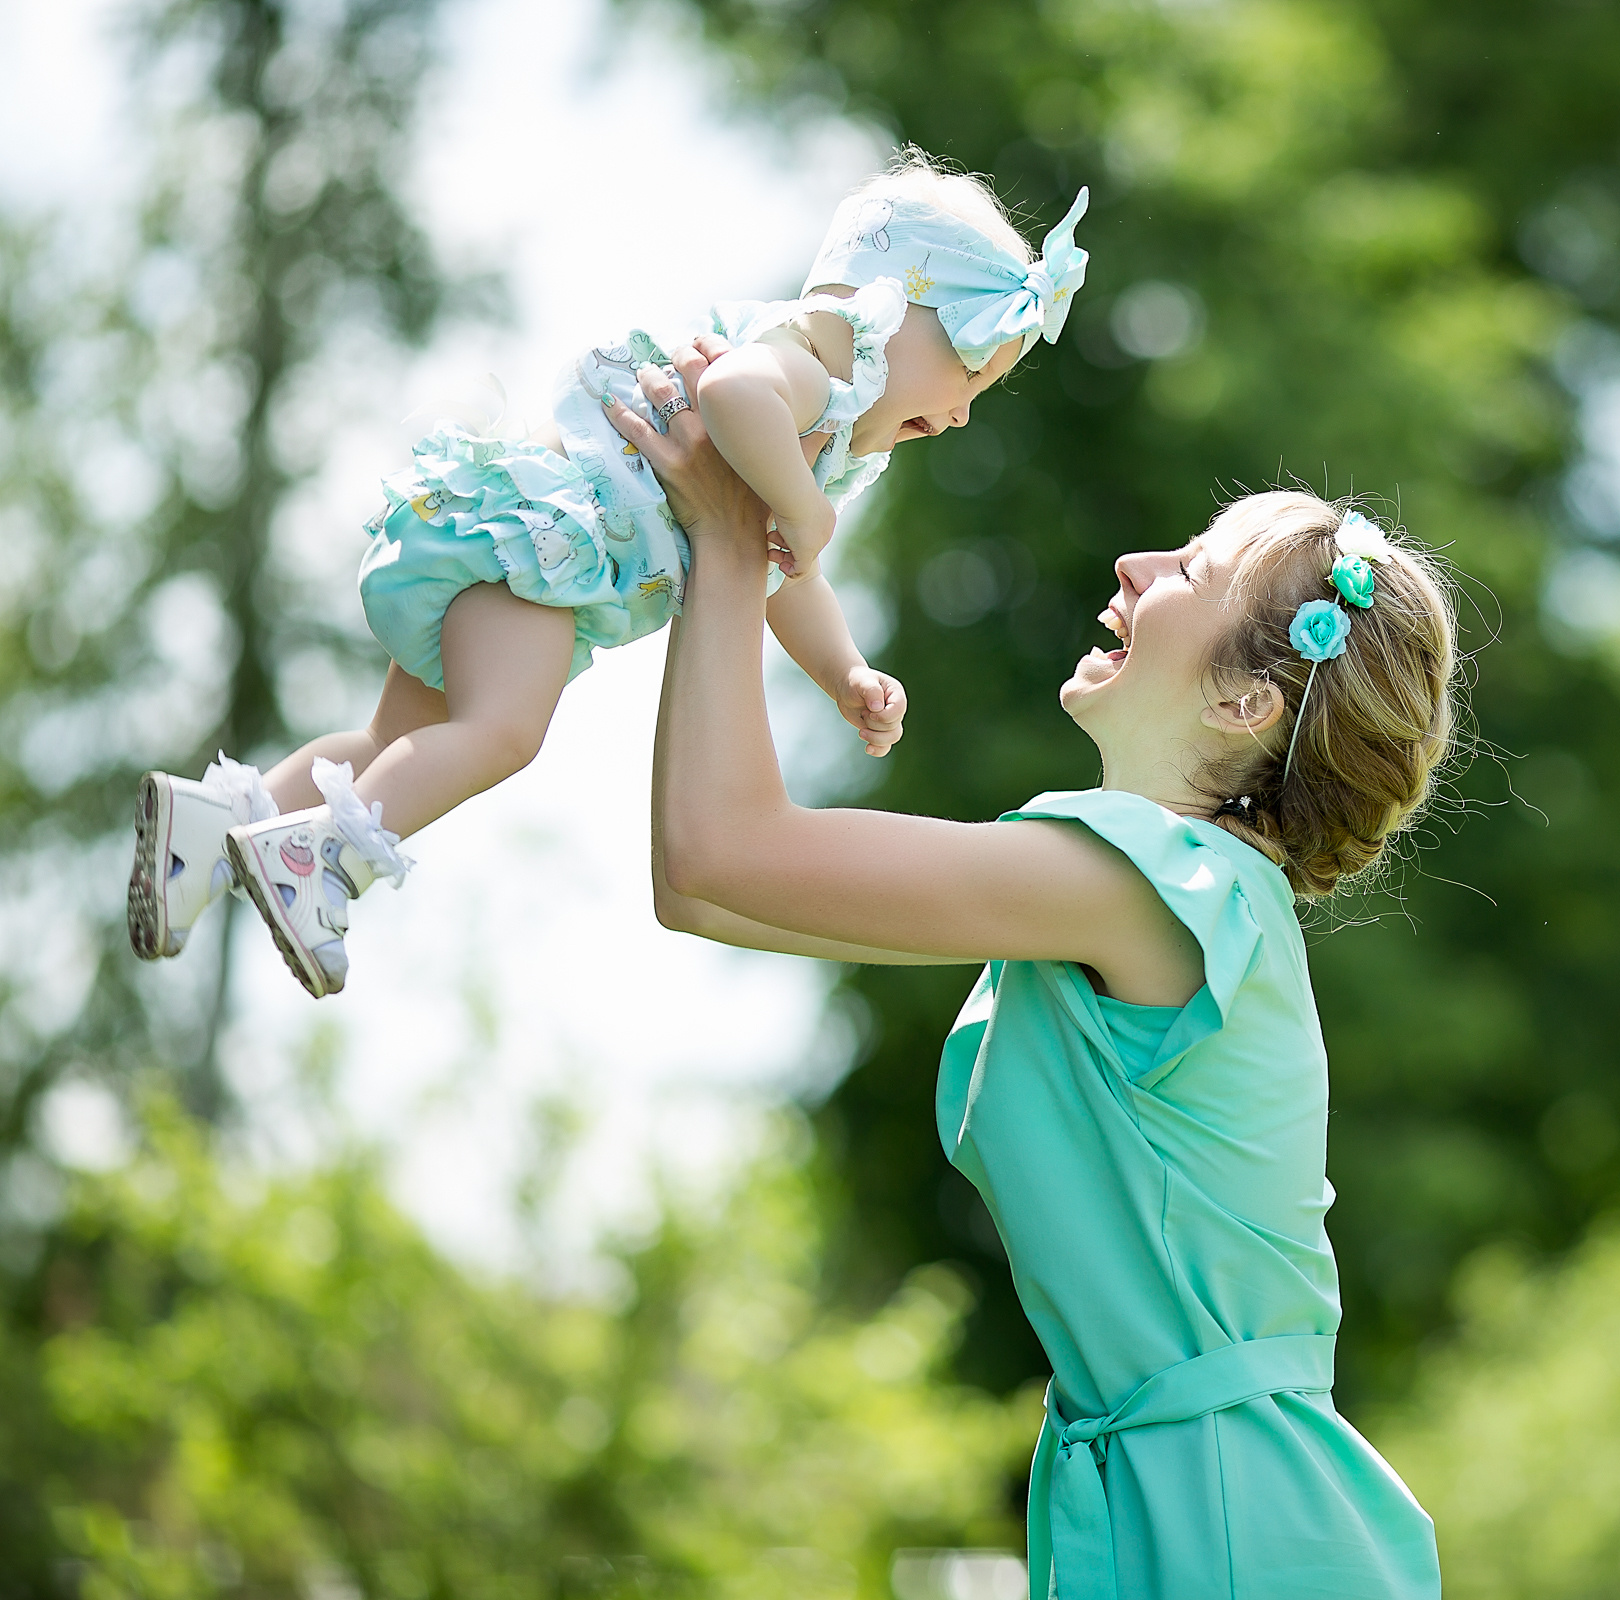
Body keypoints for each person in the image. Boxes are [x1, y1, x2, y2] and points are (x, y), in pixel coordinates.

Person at [613, 344, 1453, 1598]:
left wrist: (736, 538)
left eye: (1193, 570)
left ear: (1245, 703)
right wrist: (724, 544)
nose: (1136, 565)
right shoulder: (1140, 893)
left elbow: (719, 851)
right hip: (1180, 1497)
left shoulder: (1164, 885)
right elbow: (701, 887)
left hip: (1238, 1518)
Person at [124, 152, 1089, 997]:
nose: (963, 414)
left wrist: (843, 670)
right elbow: (732, 395)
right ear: (901, 311)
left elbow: (787, 576)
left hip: (506, 541)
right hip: (547, 554)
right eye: (971, 373)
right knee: (502, 733)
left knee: (396, 740)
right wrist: (803, 507)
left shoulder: (817, 432)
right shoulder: (804, 363)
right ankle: (322, 864)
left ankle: (213, 825)